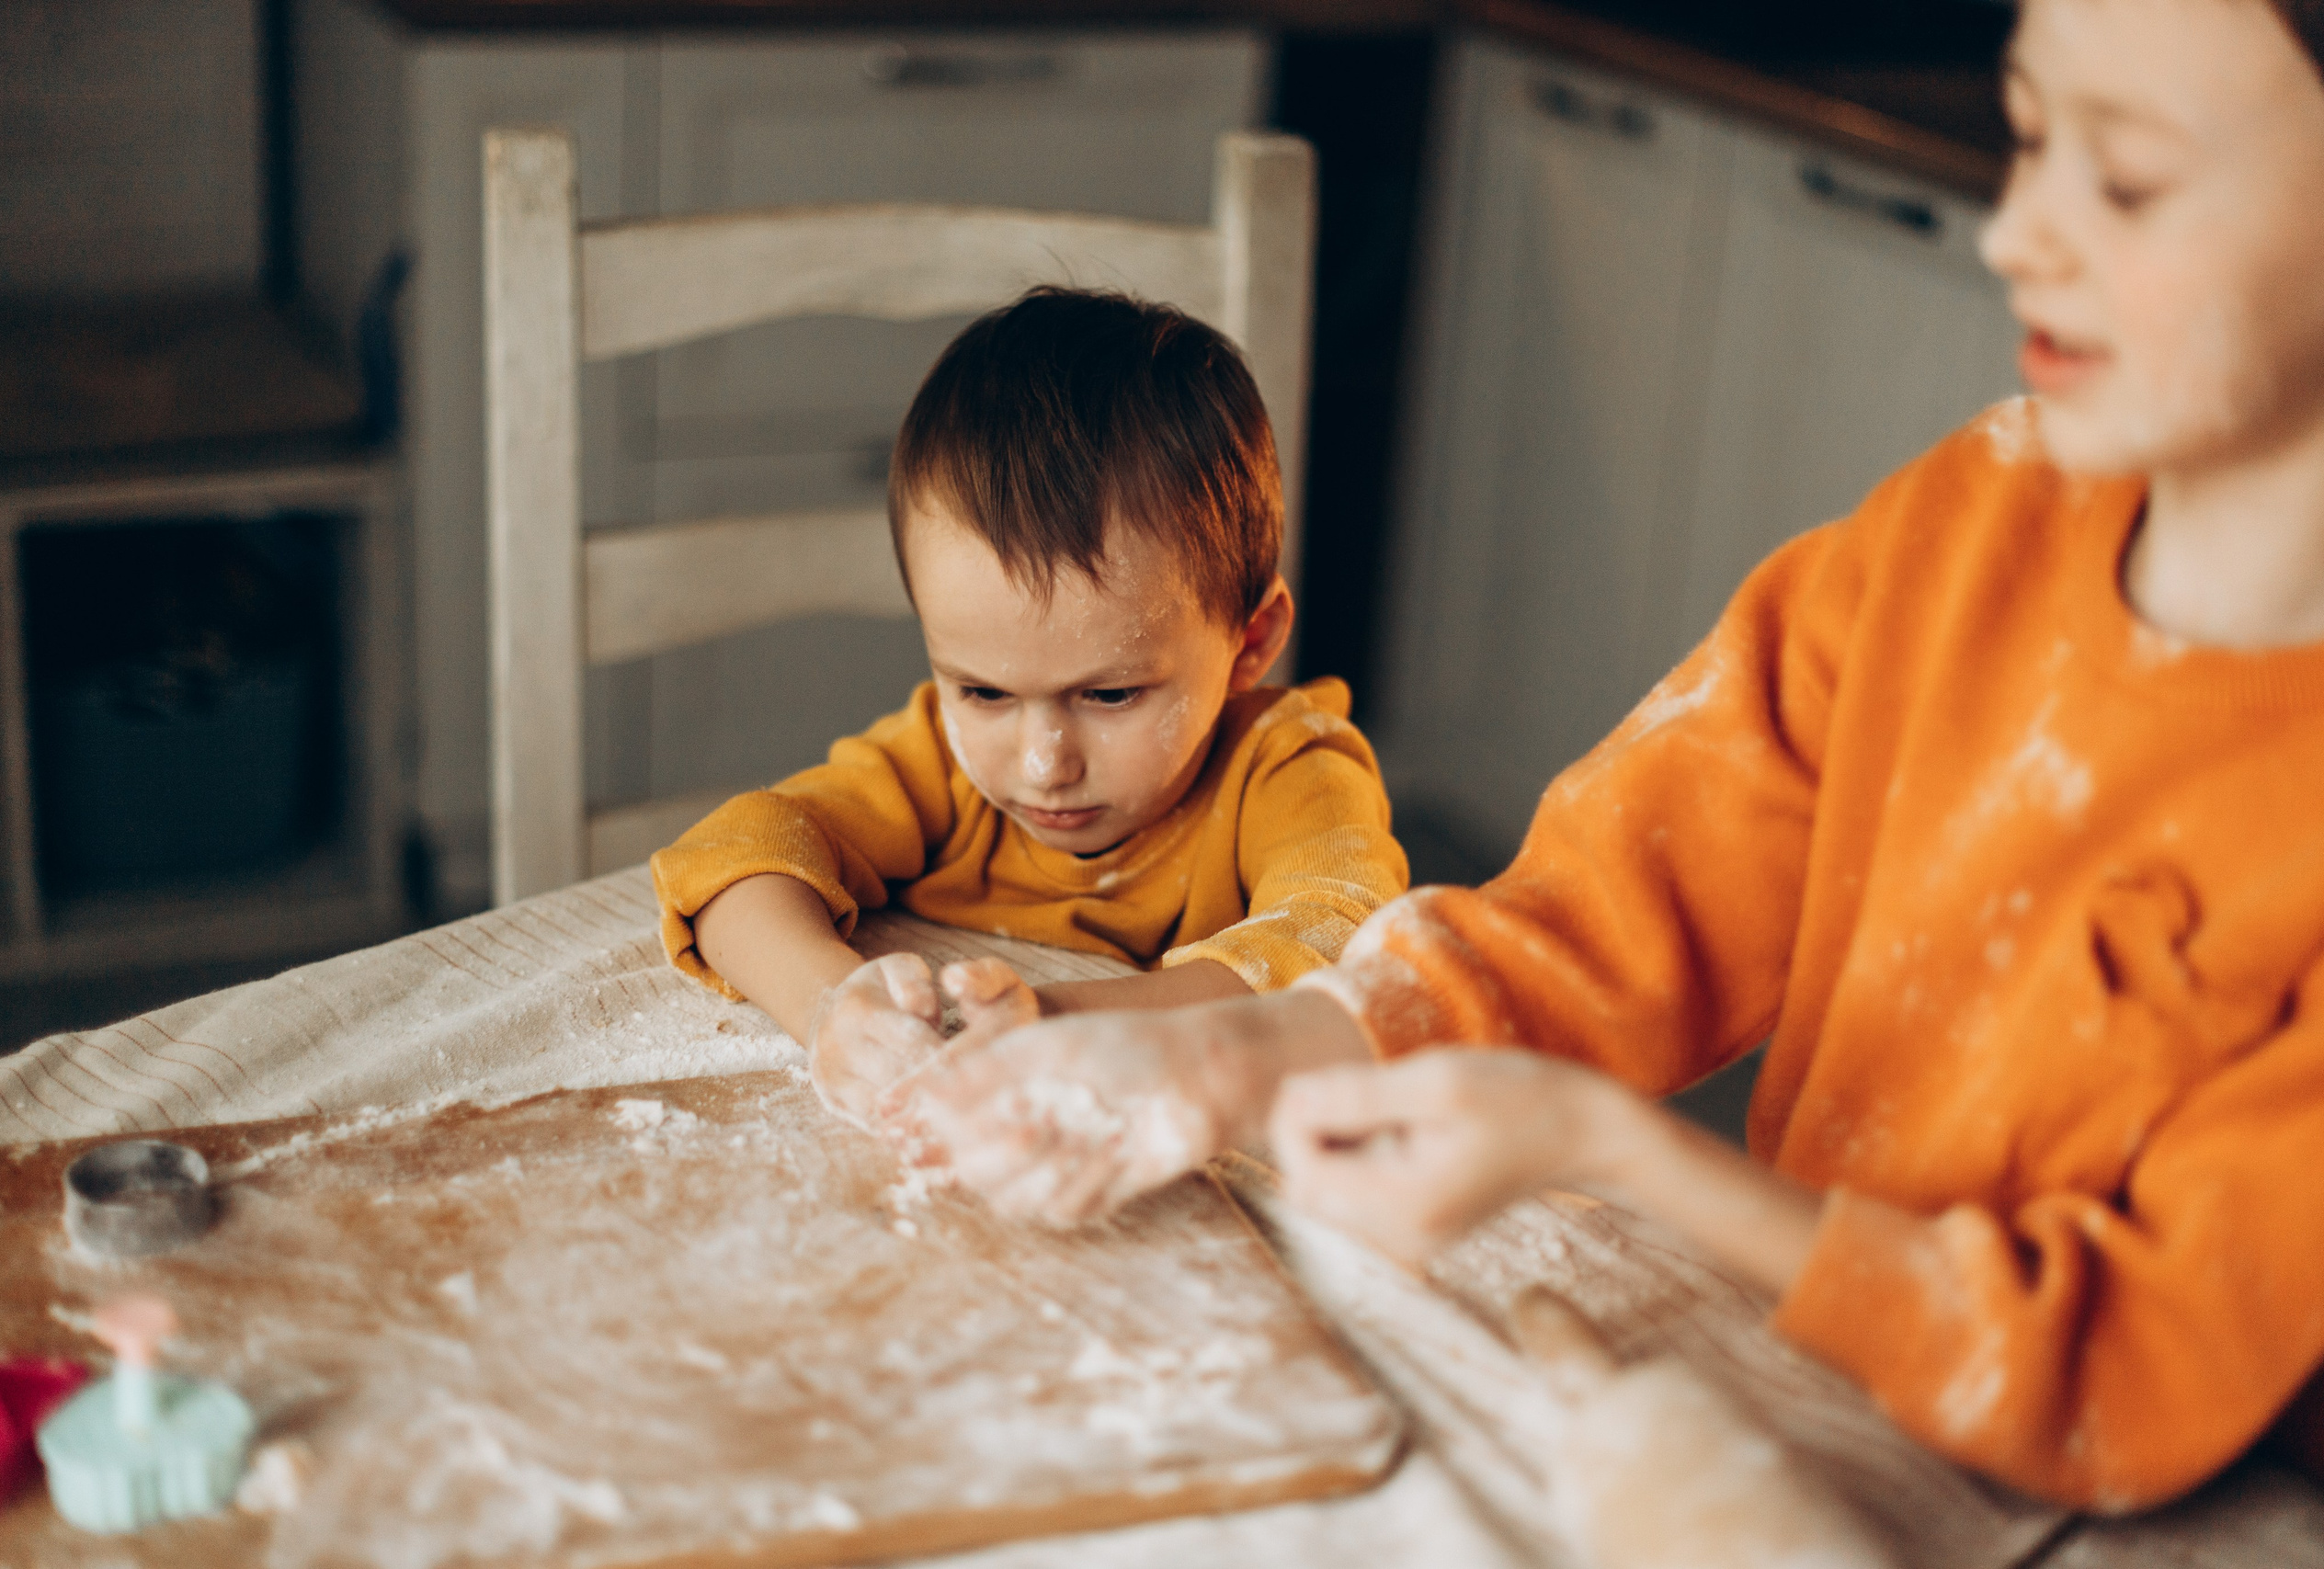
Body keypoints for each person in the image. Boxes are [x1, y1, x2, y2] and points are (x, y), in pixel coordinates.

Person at [882, 0, 2324, 1508]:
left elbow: (2122, 1370)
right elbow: (1599, 923)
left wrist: (1617, 1149)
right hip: (1811, 1394)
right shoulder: (1969, 527)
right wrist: (1228, 1053)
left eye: (2131, 180)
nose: (2017, 232)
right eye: (2028, 138)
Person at [654, 287, 1407, 1129]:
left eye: (1111, 694)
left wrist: (1054, 1025)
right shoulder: (934, 766)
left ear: (1251, 640)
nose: (1045, 763)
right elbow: (734, 856)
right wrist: (830, 1002)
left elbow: (1343, 945)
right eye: (984, 691)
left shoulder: (1289, 771)